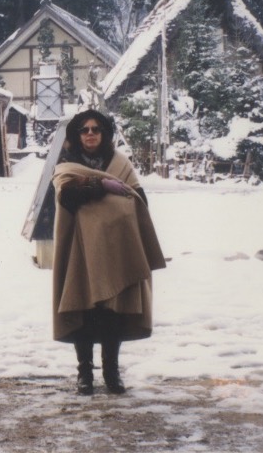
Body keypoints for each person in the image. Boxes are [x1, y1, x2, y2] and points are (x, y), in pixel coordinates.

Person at [51, 109, 166, 395]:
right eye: (84, 130)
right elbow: (67, 197)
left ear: (105, 134)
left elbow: (140, 201)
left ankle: (112, 372)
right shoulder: (68, 165)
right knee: (83, 310)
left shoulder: (121, 163)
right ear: (77, 136)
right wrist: (100, 185)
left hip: (116, 251)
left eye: (96, 129)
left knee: (113, 313)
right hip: (81, 252)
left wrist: (120, 209)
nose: (90, 134)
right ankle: (85, 374)